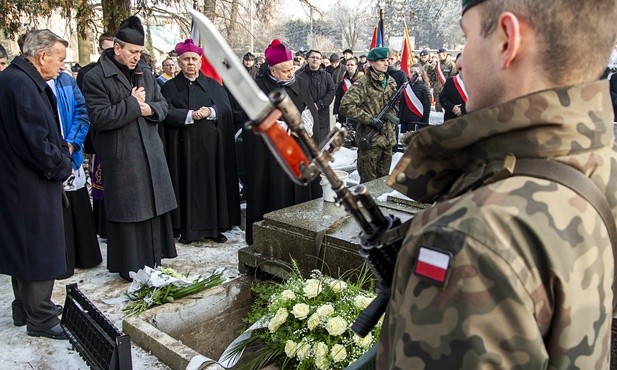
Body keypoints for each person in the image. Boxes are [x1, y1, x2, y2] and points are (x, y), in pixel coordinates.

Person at [378, 0, 617, 368]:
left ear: (507, 40)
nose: (458, 61)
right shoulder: (600, 160)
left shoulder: (469, 237)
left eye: (467, 36)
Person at [82, 16, 177, 281]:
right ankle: (131, 267)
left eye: (139, 52)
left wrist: (150, 109)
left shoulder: (144, 72)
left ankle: (154, 261)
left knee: (153, 209)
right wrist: (133, 105)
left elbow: (163, 105)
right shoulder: (95, 77)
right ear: (117, 49)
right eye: (133, 52)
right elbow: (100, 118)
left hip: (150, 151)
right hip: (122, 155)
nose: (137, 57)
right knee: (130, 212)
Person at [0, 29, 72, 340]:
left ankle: (24, 307)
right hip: (29, 182)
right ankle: (41, 317)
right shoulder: (20, 84)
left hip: (18, 181)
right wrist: (61, 165)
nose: (62, 65)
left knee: (24, 247)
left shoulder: (17, 79)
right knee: (38, 248)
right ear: (42, 56)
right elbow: (36, 141)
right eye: (59, 58)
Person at [243, 39, 320, 245]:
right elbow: (251, 120)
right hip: (270, 154)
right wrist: (284, 128)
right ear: (272, 70)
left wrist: (306, 121)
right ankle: (269, 239)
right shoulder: (257, 87)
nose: (290, 74)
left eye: (292, 68)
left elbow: (309, 107)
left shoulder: (301, 82)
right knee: (273, 192)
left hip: (298, 148)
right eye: (285, 71)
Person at [161, 39, 235, 244]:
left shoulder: (213, 85)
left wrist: (211, 111)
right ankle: (187, 229)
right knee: (184, 185)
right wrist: (189, 115)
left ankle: (214, 228)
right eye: (186, 59)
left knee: (211, 185)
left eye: (194, 59)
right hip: (181, 147)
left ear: (201, 61)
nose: (190, 63)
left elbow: (226, 109)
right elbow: (165, 111)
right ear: (179, 62)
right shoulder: (169, 87)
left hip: (210, 147)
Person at [49, 68, 102, 278]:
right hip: (48, 153)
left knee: (77, 203)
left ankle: (85, 255)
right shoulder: (28, 83)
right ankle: (63, 262)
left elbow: (81, 111)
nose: (62, 65)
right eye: (59, 59)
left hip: (71, 149)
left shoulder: (66, 81)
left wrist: (72, 143)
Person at [339, 47, 397, 183]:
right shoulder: (363, 83)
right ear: (371, 62)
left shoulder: (391, 81)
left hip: (387, 139)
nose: (386, 63)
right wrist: (370, 120)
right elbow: (345, 106)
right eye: (382, 60)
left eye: (387, 60)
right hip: (370, 141)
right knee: (368, 184)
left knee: (383, 183)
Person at [76, 32, 114, 239]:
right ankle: (103, 227)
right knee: (100, 184)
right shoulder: (88, 73)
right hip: (96, 136)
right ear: (100, 49)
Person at [295, 49, 335, 141]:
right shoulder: (299, 76)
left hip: (322, 117)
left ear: (321, 61)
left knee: (320, 147)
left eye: (318, 58)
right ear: (307, 59)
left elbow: (331, 92)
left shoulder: (327, 76)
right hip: (305, 116)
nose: (315, 60)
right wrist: (307, 106)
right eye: (312, 57)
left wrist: (319, 104)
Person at [399, 63, 431, 133]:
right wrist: (400, 117)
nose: (412, 74)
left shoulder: (424, 88)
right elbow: (402, 103)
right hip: (405, 120)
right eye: (411, 72)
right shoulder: (406, 86)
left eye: (414, 72)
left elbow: (427, 107)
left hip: (417, 120)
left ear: (420, 74)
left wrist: (425, 122)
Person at [426, 47, 457, 112]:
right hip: (437, 90)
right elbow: (433, 76)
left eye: (440, 55)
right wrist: (433, 84)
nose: (438, 56)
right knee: (438, 108)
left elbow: (453, 77)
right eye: (438, 55)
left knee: (448, 108)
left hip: (447, 89)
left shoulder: (451, 64)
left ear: (445, 54)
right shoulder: (437, 65)